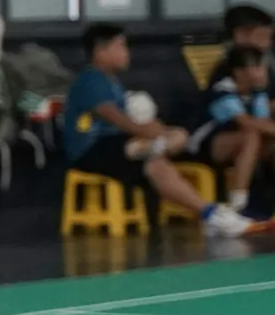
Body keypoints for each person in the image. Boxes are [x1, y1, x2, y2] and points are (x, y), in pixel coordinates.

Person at [64, 23, 250, 237]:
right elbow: (116, 119)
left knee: (157, 161)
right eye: (120, 46)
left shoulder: (111, 82)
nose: (126, 52)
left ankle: (210, 214)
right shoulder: (91, 79)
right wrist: (150, 133)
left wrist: (162, 131)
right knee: (156, 152)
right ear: (101, 51)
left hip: (116, 147)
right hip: (90, 150)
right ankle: (211, 213)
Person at [186, 45, 272, 213]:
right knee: (250, 137)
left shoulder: (258, 93)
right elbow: (247, 123)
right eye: (257, 67)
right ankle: (237, 204)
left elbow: (264, 123)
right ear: (239, 72)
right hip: (206, 146)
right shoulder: (222, 91)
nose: (263, 72)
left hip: (241, 147)